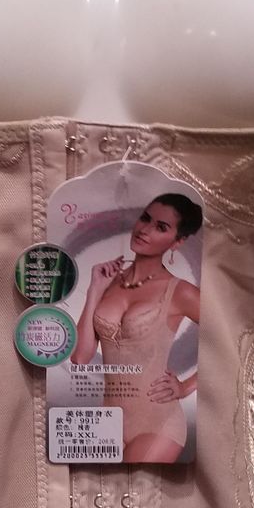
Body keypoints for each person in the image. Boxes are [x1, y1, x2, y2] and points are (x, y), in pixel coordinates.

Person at [71, 194, 202, 462]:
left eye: (161, 227)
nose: (145, 229)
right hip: (108, 419)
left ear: (177, 242)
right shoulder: (108, 281)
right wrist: (94, 290)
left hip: (158, 423)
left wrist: (186, 387)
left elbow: (228, 341)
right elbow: (80, 357)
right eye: (145, 218)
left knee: (131, 481)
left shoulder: (181, 292)